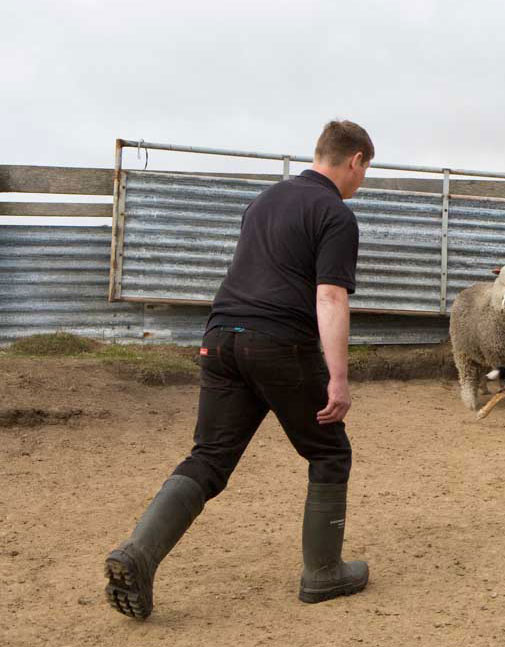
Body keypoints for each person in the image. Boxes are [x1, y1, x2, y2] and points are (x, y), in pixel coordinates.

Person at [104, 120, 374, 619]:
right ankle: (322, 573)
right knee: (330, 451)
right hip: (278, 342)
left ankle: (138, 553)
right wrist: (338, 376)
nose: (361, 183)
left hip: (221, 338)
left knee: (209, 458)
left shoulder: (264, 200)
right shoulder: (335, 214)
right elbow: (330, 296)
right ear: (355, 160)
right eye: (364, 172)